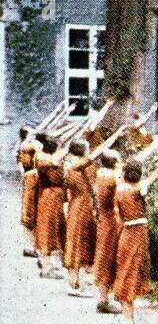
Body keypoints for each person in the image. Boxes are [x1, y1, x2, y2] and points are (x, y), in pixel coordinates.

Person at [113, 148, 158, 324]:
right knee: (131, 273)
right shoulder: (137, 190)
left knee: (126, 270)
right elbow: (156, 174)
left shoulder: (120, 186)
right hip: (136, 233)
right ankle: (128, 320)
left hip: (126, 233)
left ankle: (126, 316)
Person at [61, 139, 98, 298]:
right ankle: (73, 283)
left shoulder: (68, 165)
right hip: (82, 206)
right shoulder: (79, 167)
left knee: (77, 242)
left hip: (76, 205)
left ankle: (75, 281)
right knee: (78, 243)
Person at [33, 133, 71, 279]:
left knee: (50, 230)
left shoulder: (45, 158)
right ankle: (46, 266)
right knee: (47, 231)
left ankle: (46, 263)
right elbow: (60, 156)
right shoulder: (47, 160)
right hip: (51, 197)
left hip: (51, 196)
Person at [92, 149, 122, 314]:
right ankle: (104, 299)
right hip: (110, 221)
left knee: (105, 256)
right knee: (107, 258)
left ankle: (106, 296)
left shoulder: (101, 173)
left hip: (104, 219)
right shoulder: (112, 177)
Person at [17, 126, 40, 258]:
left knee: (30, 214)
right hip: (32, 182)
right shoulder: (28, 146)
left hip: (30, 181)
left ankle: (31, 245)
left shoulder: (26, 145)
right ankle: (31, 246)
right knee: (31, 214)